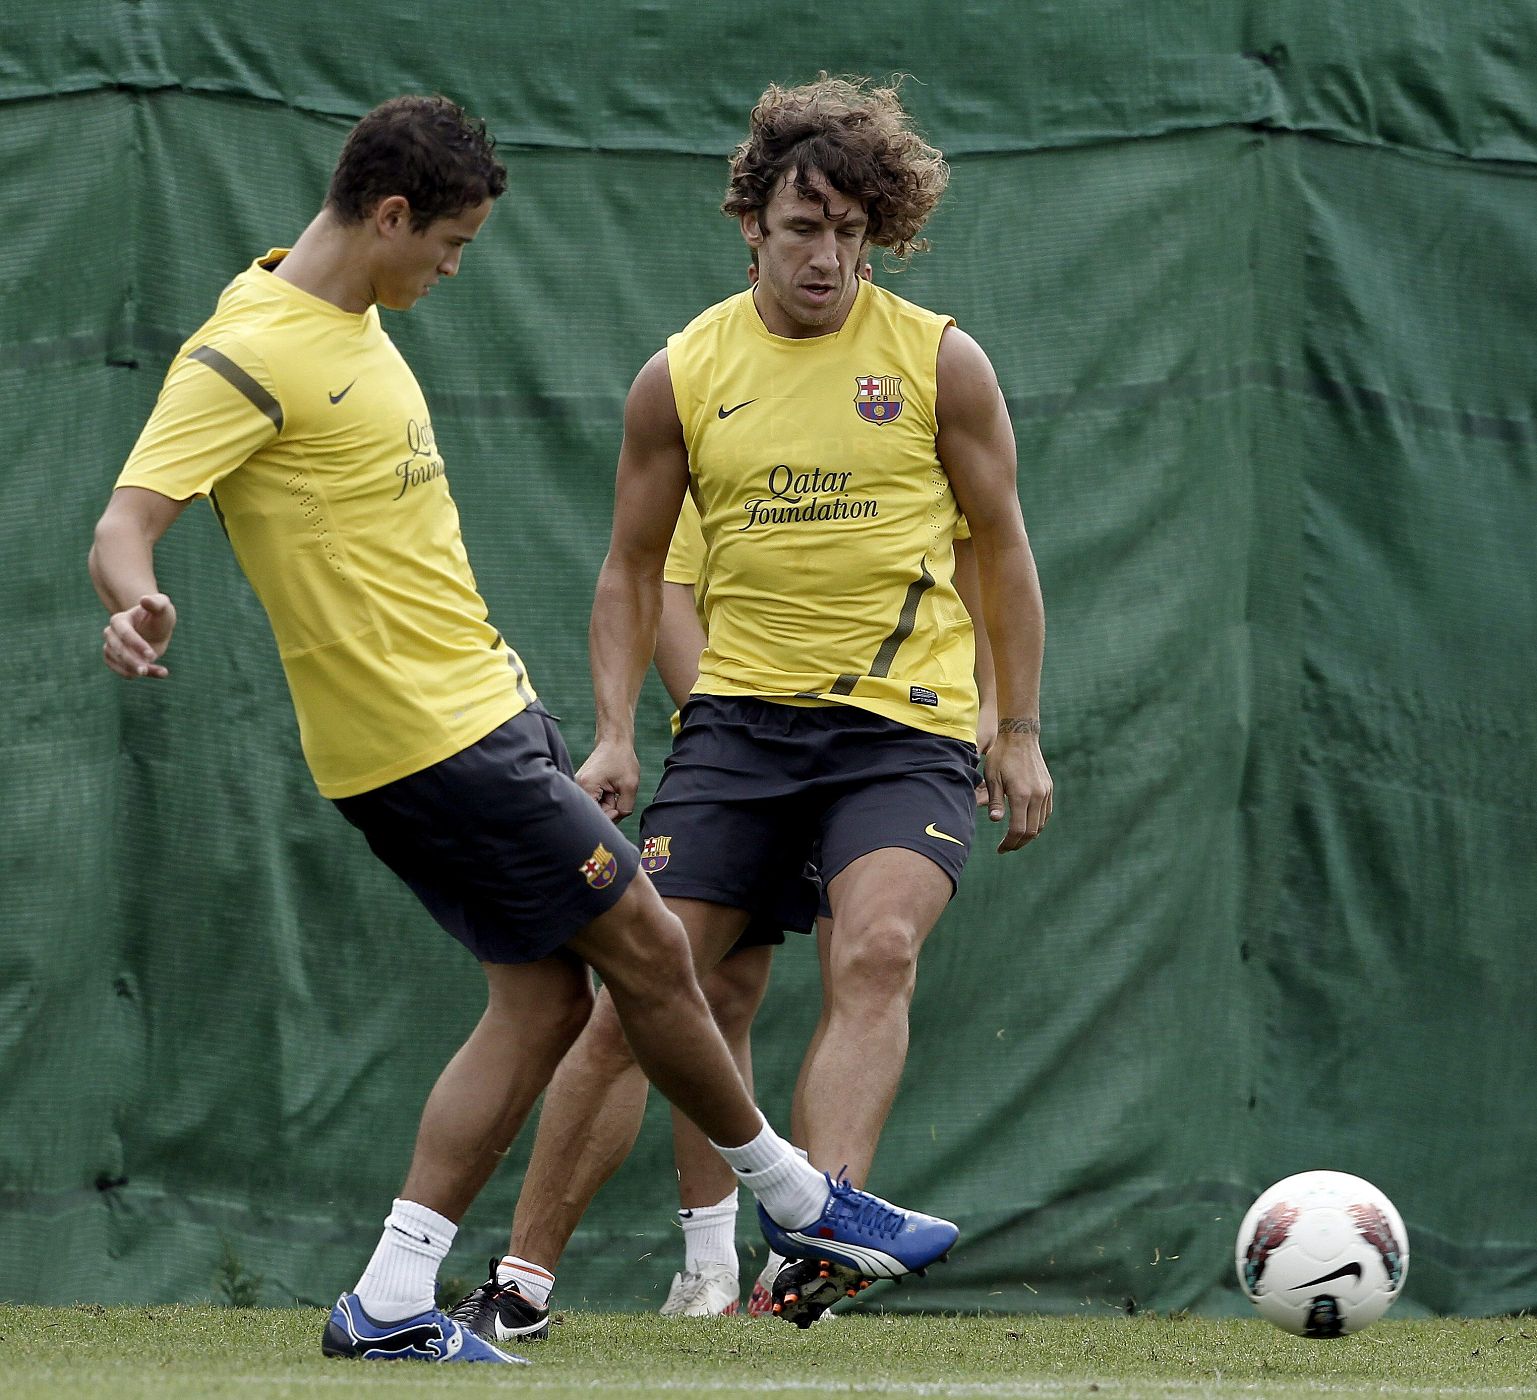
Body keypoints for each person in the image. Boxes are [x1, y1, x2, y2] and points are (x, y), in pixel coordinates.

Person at [87, 93, 959, 1367]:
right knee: (656, 955)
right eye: (448, 243)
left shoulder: (345, 314)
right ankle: (804, 1204)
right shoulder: (249, 350)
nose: (453, 266)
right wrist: (135, 598)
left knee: (544, 998)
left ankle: (391, 1298)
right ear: (389, 215)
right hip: (428, 740)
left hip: (481, 720)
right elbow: (126, 517)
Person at [449, 72, 1050, 1340]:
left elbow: (1000, 547)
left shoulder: (940, 361)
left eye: (849, 232)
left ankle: (805, 1262)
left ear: (876, 233)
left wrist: (1018, 728)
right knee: (638, 993)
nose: (826, 256)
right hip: (737, 728)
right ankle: (522, 1282)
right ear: (750, 225)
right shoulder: (682, 372)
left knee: (876, 948)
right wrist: (615, 728)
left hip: (905, 728)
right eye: (801, 228)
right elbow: (627, 566)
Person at [656, 430, 999, 1322]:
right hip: (743, 745)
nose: (822, 279)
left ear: (865, 278)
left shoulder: (915, 415)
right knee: (708, 992)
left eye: (845, 273)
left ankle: (811, 1259)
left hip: (889, 743)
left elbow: (979, 571)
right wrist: (724, 720)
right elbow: (665, 590)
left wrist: (1001, 720)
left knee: (877, 951)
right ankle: (705, 1267)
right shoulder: (720, 411)